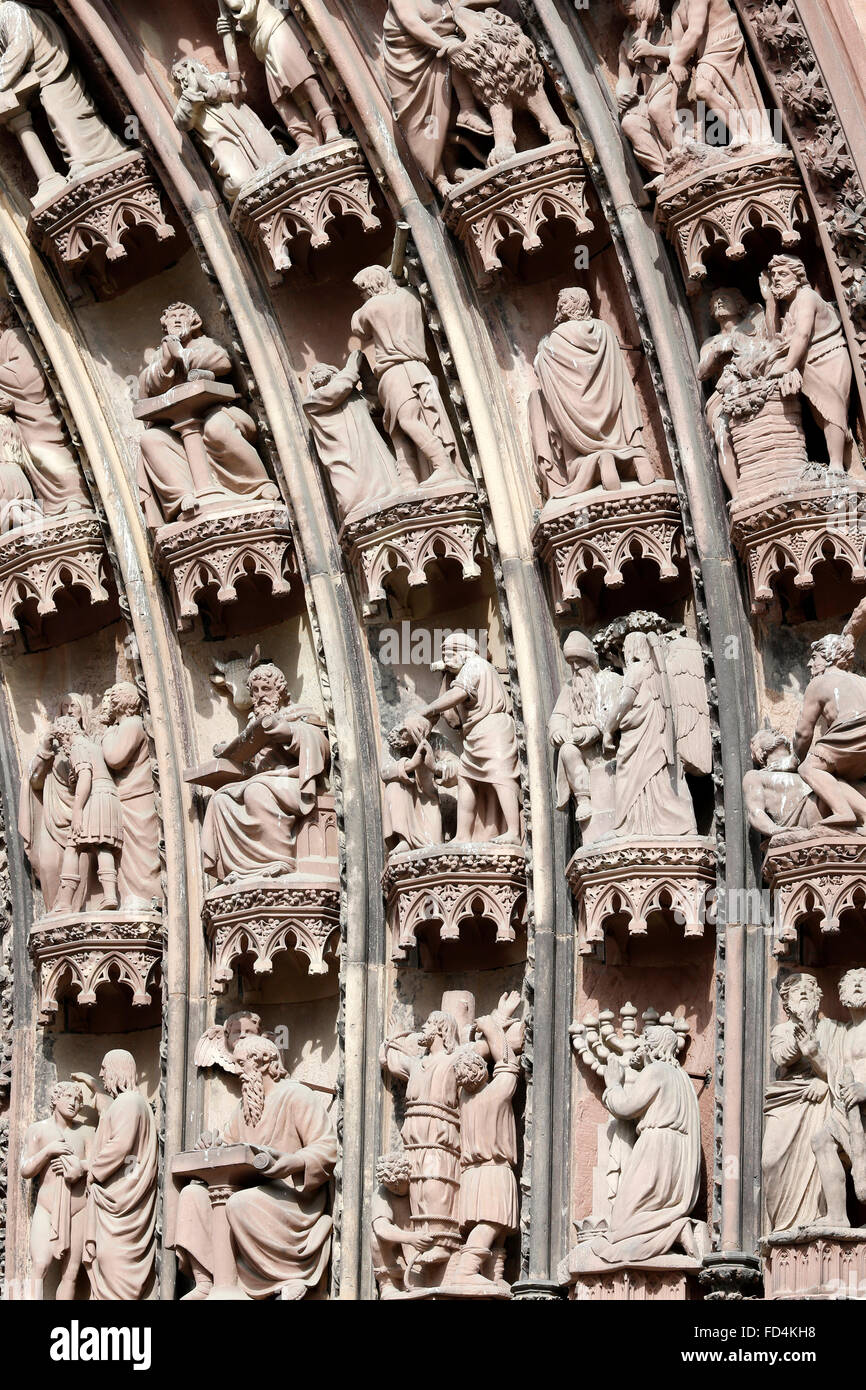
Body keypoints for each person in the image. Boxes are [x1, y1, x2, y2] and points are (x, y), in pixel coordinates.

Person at [173, 1035, 337, 1299]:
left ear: (262, 1063)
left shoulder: (296, 1095)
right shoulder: (245, 1108)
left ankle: (285, 1277)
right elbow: (229, 1145)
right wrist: (211, 1143)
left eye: (241, 1064)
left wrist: (291, 1162)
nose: (237, 1072)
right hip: (252, 1194)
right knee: (192, 1195)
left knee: (239, 1203)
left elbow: (326, 1148)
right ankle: (207, 1281)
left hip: (291, 1199)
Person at [137, 301, 278, 525]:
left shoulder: (206, 344)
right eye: (170, 318)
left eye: (181, 315)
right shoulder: (161, 355)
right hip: (179, 430)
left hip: (220, 414)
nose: (175, 320)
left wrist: (181, 354)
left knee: (217, 427)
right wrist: (166, 361)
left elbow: (222, 362)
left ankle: (257, 484)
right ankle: (184, 495)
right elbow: (146, 388)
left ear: (195, 321)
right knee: (150, 439)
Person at [583, 1024, 708, 1265]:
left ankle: (675, 1229)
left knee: (621, 1220)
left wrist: (614, 1084)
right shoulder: (683, 1079)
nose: (638, 1046)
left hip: (656, 1149)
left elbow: (626, 1107)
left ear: (651, 1047)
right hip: (680, 1155)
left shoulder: (656, 1071)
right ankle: (673, 1228)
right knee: (659, 1207)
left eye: (642, 1042)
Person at [200, 660, 330, 882]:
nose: (260, 696)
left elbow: (320, 743)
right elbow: (252, 764)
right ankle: (239, 870)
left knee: (256, 790)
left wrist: (290, 732)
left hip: (291, 779)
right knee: (220, 800)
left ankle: (277, 860)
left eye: (266, 689)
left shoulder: (297, 713)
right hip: (266, 780)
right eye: (255, 691)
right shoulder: (254, 725)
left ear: (279, 691)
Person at [530, 287, 654, 497]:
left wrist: (540, 358)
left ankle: (596, 460)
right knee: (621, 445)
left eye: (561, 303)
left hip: (579, 429)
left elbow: (541, 368)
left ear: (567, 307)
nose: (559, 307)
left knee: (575, 464)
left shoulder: (556, 341)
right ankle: (631, 455)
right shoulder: (604, 330)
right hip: (613, 417)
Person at [404, 632, 521, 843]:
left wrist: (425, 710)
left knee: (501, 776)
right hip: (475, 733)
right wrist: (448, 676)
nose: (446, 660)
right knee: (466, 780)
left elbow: (456, 695)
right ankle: (462, 835)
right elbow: (452, 719)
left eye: (449, 655)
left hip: (493, 729)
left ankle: (513, 830)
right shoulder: (463, 672)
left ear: (463, 652)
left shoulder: (475, 665)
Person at [350, 266, 460, 485]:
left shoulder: (371, 306)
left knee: (406, 421)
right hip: (419, 368)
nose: (362, 296)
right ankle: (409, 479)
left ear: (371, 286)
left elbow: (358, 328)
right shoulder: (411, 298)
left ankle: (442, 465)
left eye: (362, 290)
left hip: (395, 371)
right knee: (399, 426)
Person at [0, 2, 125, 179]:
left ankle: (90, 157)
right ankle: (85, 157)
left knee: (60, 108)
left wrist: (2, 79)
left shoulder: (8, 10)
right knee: (58, 109)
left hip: (52, 67)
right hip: (44, 72)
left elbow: (20, 47)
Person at [761, 255, 855, 472]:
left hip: (828, 357)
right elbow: (774, 337)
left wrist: (787, 366)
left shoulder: (806, 296)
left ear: (798, 276)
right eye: (774, 275)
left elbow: (802, 335)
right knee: (821, 416)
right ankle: (847, 465)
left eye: (783, 274)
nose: (777, 279)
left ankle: (837, 466)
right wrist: (769, 301)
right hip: (808, 364)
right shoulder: (789, 304)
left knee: (833, 411)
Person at [81, 1051, 158, 1301]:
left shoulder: (128, 1103)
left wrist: (93, 1172)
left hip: (122, 1199)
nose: (101, 1074)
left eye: (104, 1068)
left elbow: (121, 1145)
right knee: (109, 1259)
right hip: (123, 1191)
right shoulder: (134, 1103)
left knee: (112, 1257)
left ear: (117, 1069)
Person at [603, 630, 696, 836]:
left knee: (631, 776)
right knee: (657, 778)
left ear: (633, 649)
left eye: (626, 648)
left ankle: (629, 825)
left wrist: (608, 729)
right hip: (655, 735)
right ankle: (673, 824)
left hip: (641, 737)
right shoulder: (654, 671)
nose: (625, 652)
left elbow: (624, 702)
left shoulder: (636, 670)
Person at [218, 0, 340, 151]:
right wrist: (234, 79)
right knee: (280, 99)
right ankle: (306, 140)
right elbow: (233, 24)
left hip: (278, 24)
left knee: (305, 78)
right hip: (262, 42)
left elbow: (241, 5)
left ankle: (330, 126)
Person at [452, 1013, 519, 1287]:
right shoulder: (497, 1093)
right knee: (492, 1223)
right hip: (494, 1170)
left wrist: (472, 1039)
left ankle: (494, 1275)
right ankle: (466, 1271)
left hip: (470, 1174)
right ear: (484, 1070)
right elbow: (507, 1060)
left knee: (498, 1230)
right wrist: (491, 1024)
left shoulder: (464, 1100)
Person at [763, 974, 833, 1232]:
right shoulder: (782, 1030)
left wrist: (825, 1081)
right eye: (796, 992)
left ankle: (815, 1220)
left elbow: (842, 1066)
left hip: (820, 1100)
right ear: (787, 1003)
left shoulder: (831, 1029)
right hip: (787, 1099)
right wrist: (801, 1037)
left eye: (808, 990)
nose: (803, 994)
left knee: (818, 1161)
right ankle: (782, 1227)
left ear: (818, 998)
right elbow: (781, 1057)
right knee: (771, 1161)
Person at [303, 352, 402, 516]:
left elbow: (379, 399)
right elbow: (338, 389)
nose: (315, 372)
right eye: (312, 373)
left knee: (389, 494)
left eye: (322, 368)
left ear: (335, 373)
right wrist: (354, 363)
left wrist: (366, 372)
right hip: (347, 468)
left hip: (373, 461)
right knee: (355, 502)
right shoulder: (312, 403)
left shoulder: (356, 398)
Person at [20, 1081, 89, 1299]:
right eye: (68, 1097)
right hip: (47, 1205)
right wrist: (48, 1151)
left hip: (79, 1207)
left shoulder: (87, 1132)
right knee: (40, 1264)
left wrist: (80, 1166)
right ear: (55, 1099)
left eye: (78, 1100)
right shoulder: (38, 1130)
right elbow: (25, 1169)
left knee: (71, 1274)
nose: (73, 1103)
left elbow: (101, 1163)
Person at [19, 695, 87, 912]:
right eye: (64, 707)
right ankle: (53, 915)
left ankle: (78, 914)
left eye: (73, 706)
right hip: (52, 818)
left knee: (82, 864)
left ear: (83, 710)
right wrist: (45, 749)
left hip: (80, 817)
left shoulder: (89, 743)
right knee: (48, 865)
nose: (69, 711)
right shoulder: (52, 751)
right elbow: (35, 782)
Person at [50, 715, 123, 914]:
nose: (62, 745)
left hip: (94, 797)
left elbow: (86, 776)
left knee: (73, 846)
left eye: (61, 739)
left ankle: (65, 902)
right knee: (102, 846)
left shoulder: (77, 747)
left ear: (65, 735)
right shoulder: (92, 745)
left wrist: (77, 810)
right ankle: (110, 896)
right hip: (109, 796)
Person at [793, 632, 866, 828]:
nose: (810, 664)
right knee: (834, 778)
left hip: (850, 733)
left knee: (809, 768)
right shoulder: (863, 681)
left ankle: (842, 812)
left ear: (829, 656)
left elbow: (803, 732)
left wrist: (796, 758)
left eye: (814, 657)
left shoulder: (819, 682)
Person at [99, 682, 160, 909]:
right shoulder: (130, 725)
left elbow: (115, 757)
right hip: (128, 795)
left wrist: (105, 735)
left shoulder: (131, 725)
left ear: (118, 702)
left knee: (140, 852)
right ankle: (133, 896)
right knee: (129, 854)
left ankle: (145, 895)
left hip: (136, 796)